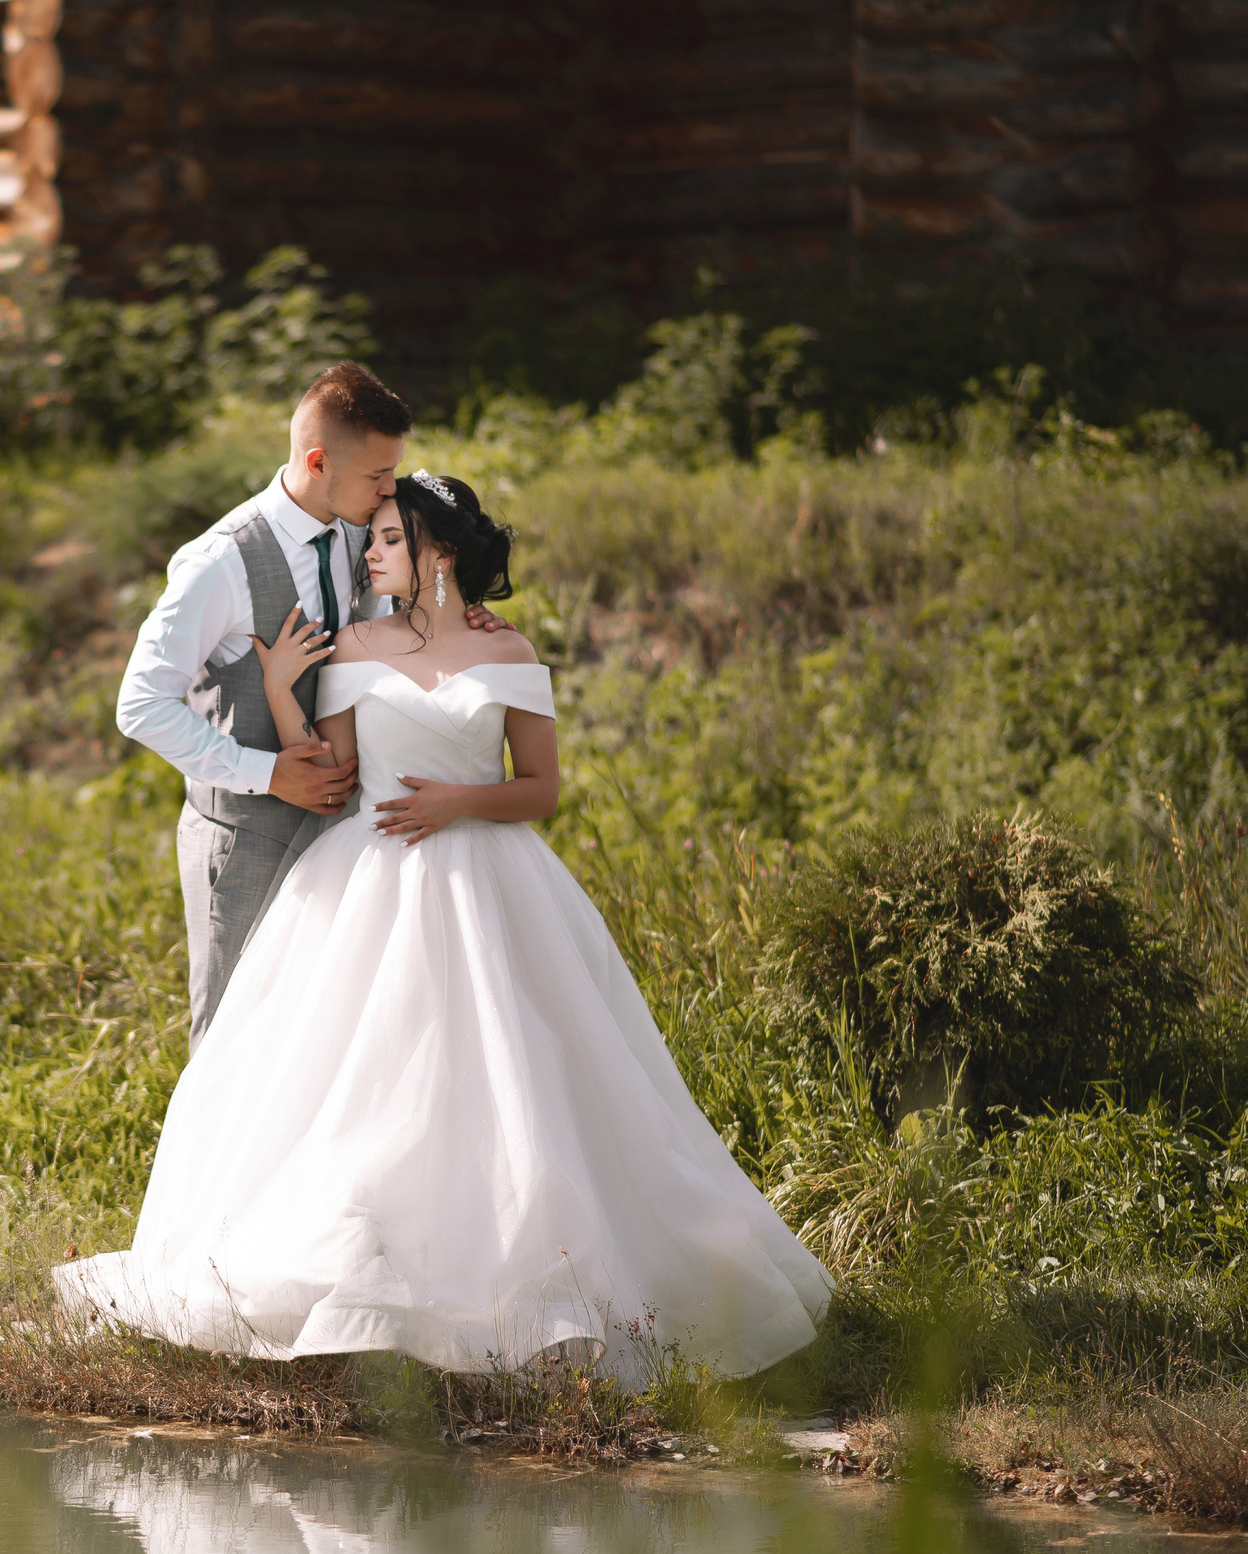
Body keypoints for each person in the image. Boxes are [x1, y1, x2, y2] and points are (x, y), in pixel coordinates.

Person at [60, 471, 833, 1381]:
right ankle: (369, 1284)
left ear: (442, 553)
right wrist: (278, 688)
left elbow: (540, 788)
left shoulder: (509, 650)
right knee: (368, 1081)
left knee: (513, 1078)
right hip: (369, 878)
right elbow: (330, 774)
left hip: (491, 883)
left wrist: (458, 802)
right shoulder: (354, 643)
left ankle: (527, 1280)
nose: (372, 553)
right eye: (374, 537)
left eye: (390, 538)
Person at [115, 360, 508, 1050]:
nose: (391, 490)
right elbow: (141, 703)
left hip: (349, 832)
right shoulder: (220, 562)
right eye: (378, 475)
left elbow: (407, 619)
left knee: (325, 1036)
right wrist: (267, 773)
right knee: (234, 1035)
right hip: (248, 837)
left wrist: (463, 622)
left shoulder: (364, 531)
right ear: (318, 461)